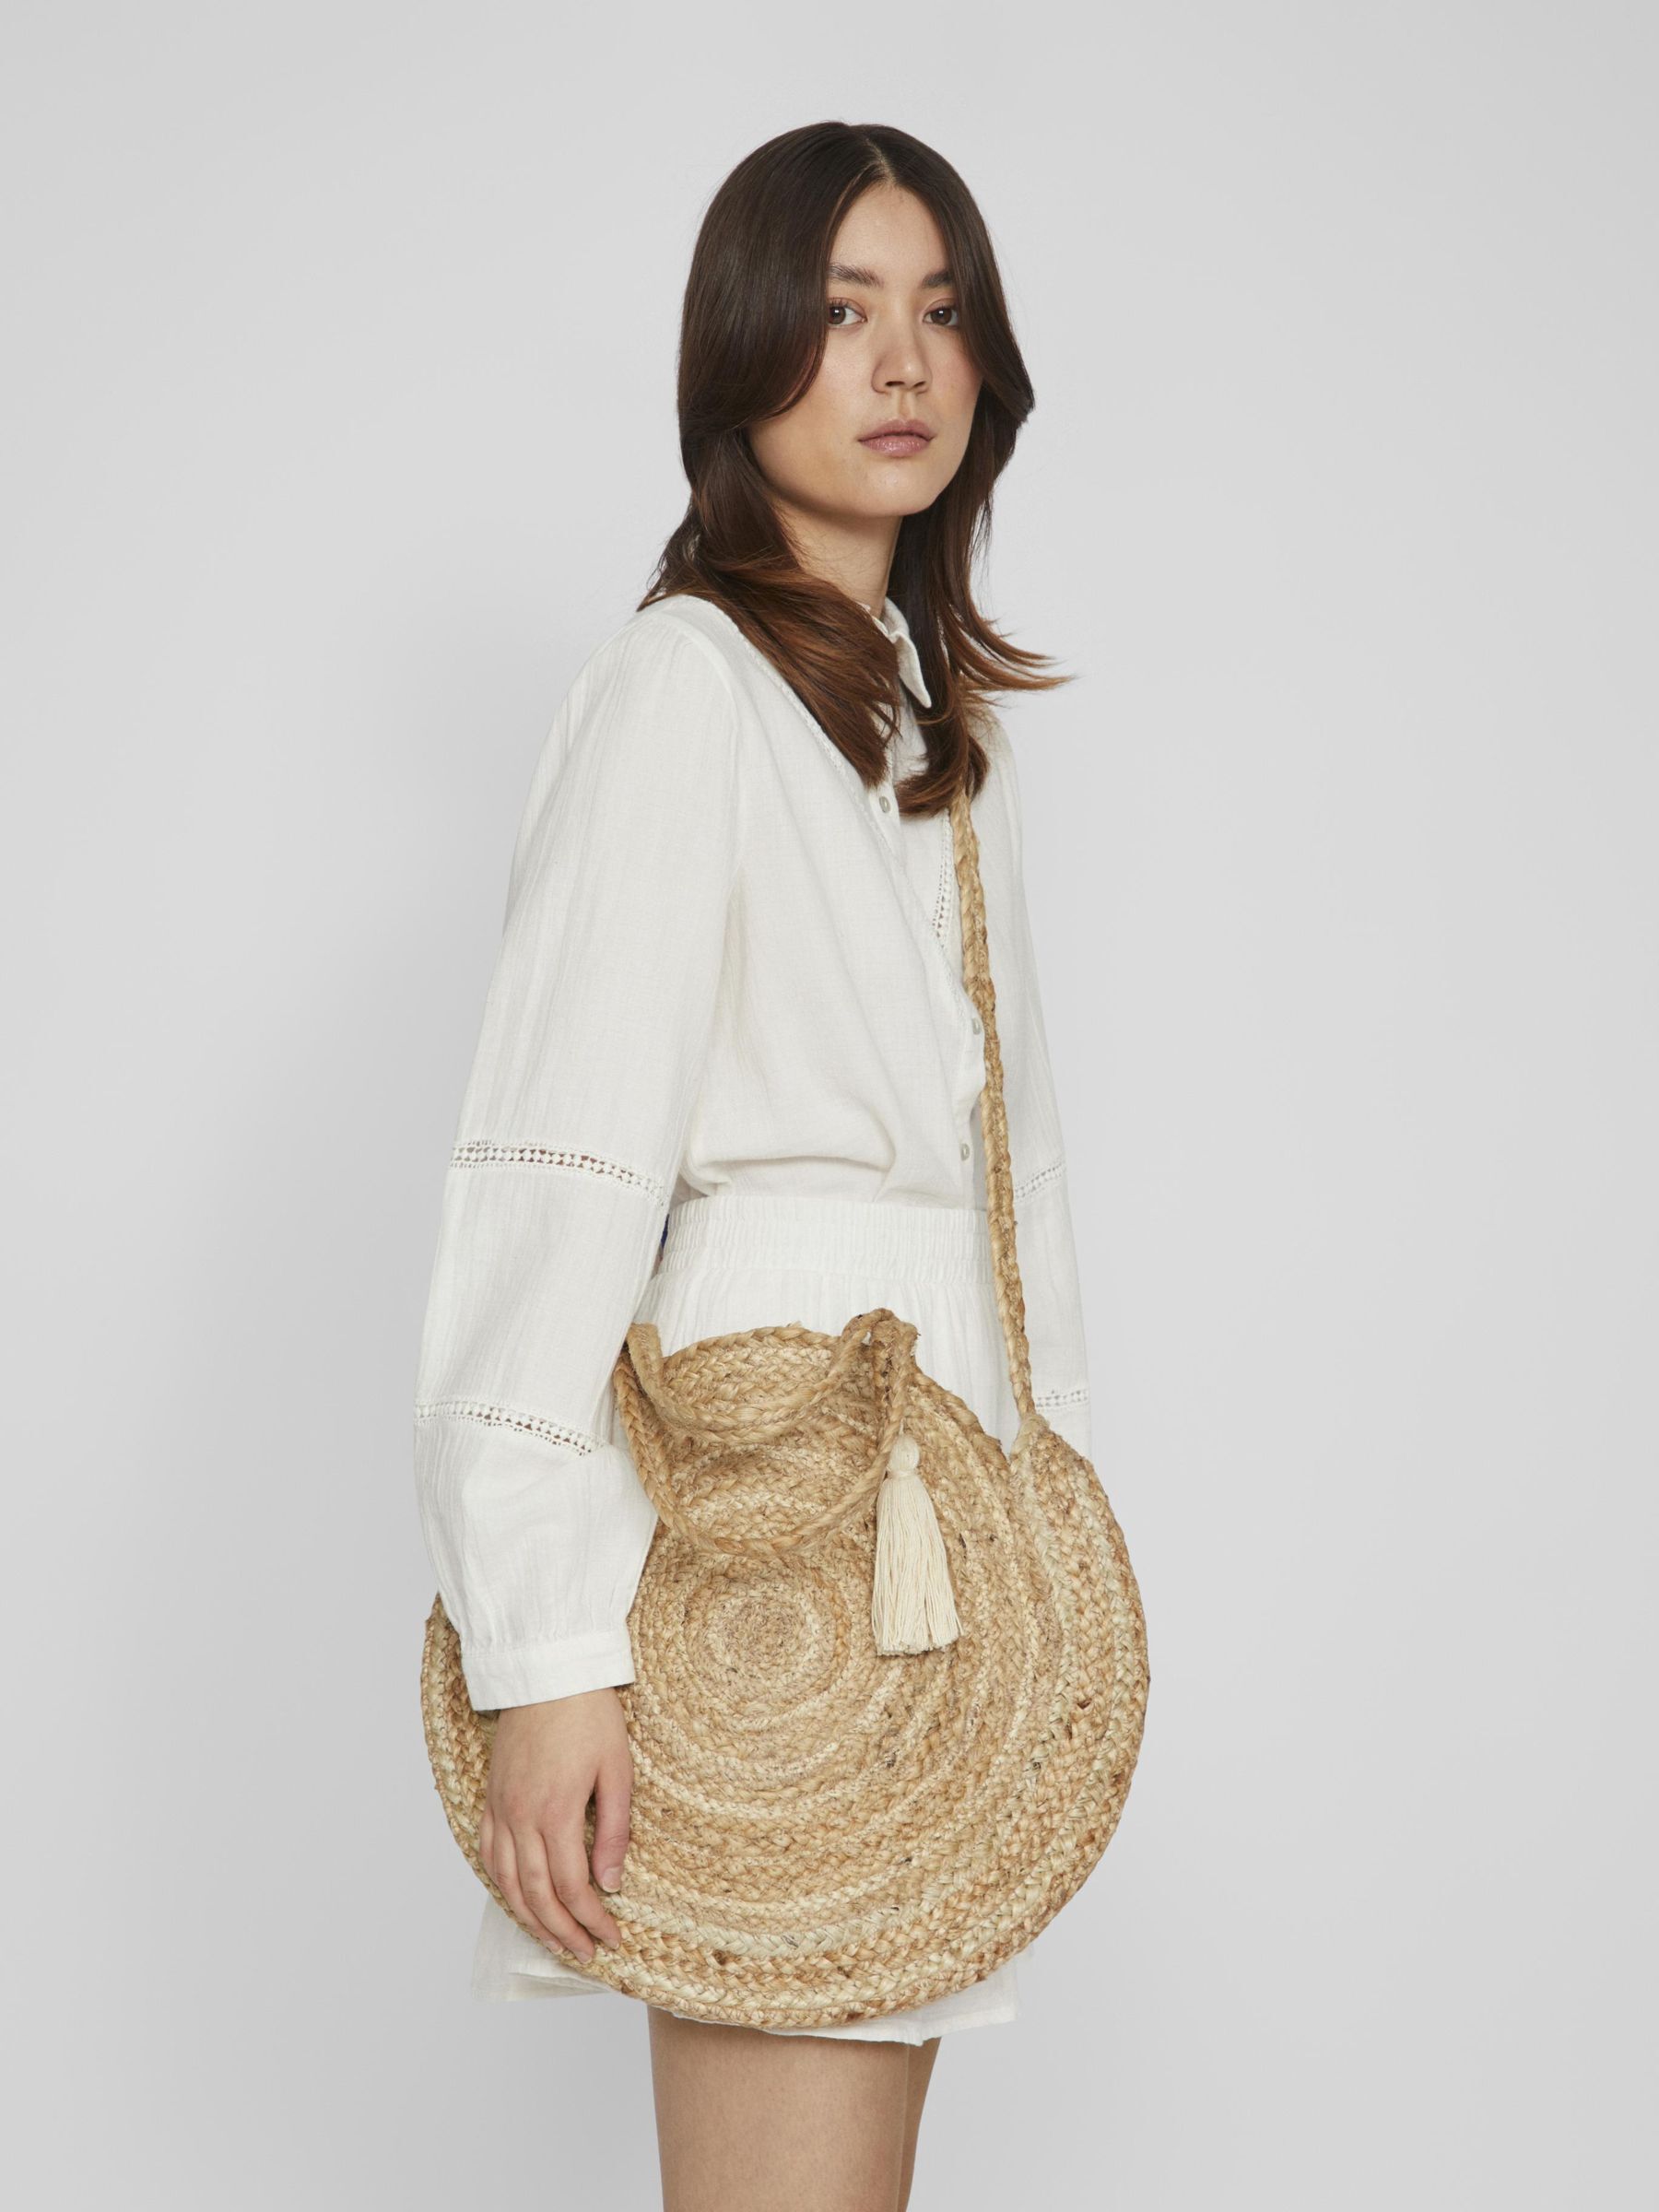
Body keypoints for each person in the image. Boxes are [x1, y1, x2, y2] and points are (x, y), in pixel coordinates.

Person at [413, 119, 1094, 2212]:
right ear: (740, 352)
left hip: (928, 1559)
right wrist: (545, 1655)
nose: (902, 361)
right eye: (840, 308)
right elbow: (550, 1179)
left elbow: (1014, 1200)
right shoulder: (681, 694)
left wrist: (1043, 1549)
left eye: (942, 311)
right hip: (758, 1553)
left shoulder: (925, 741)